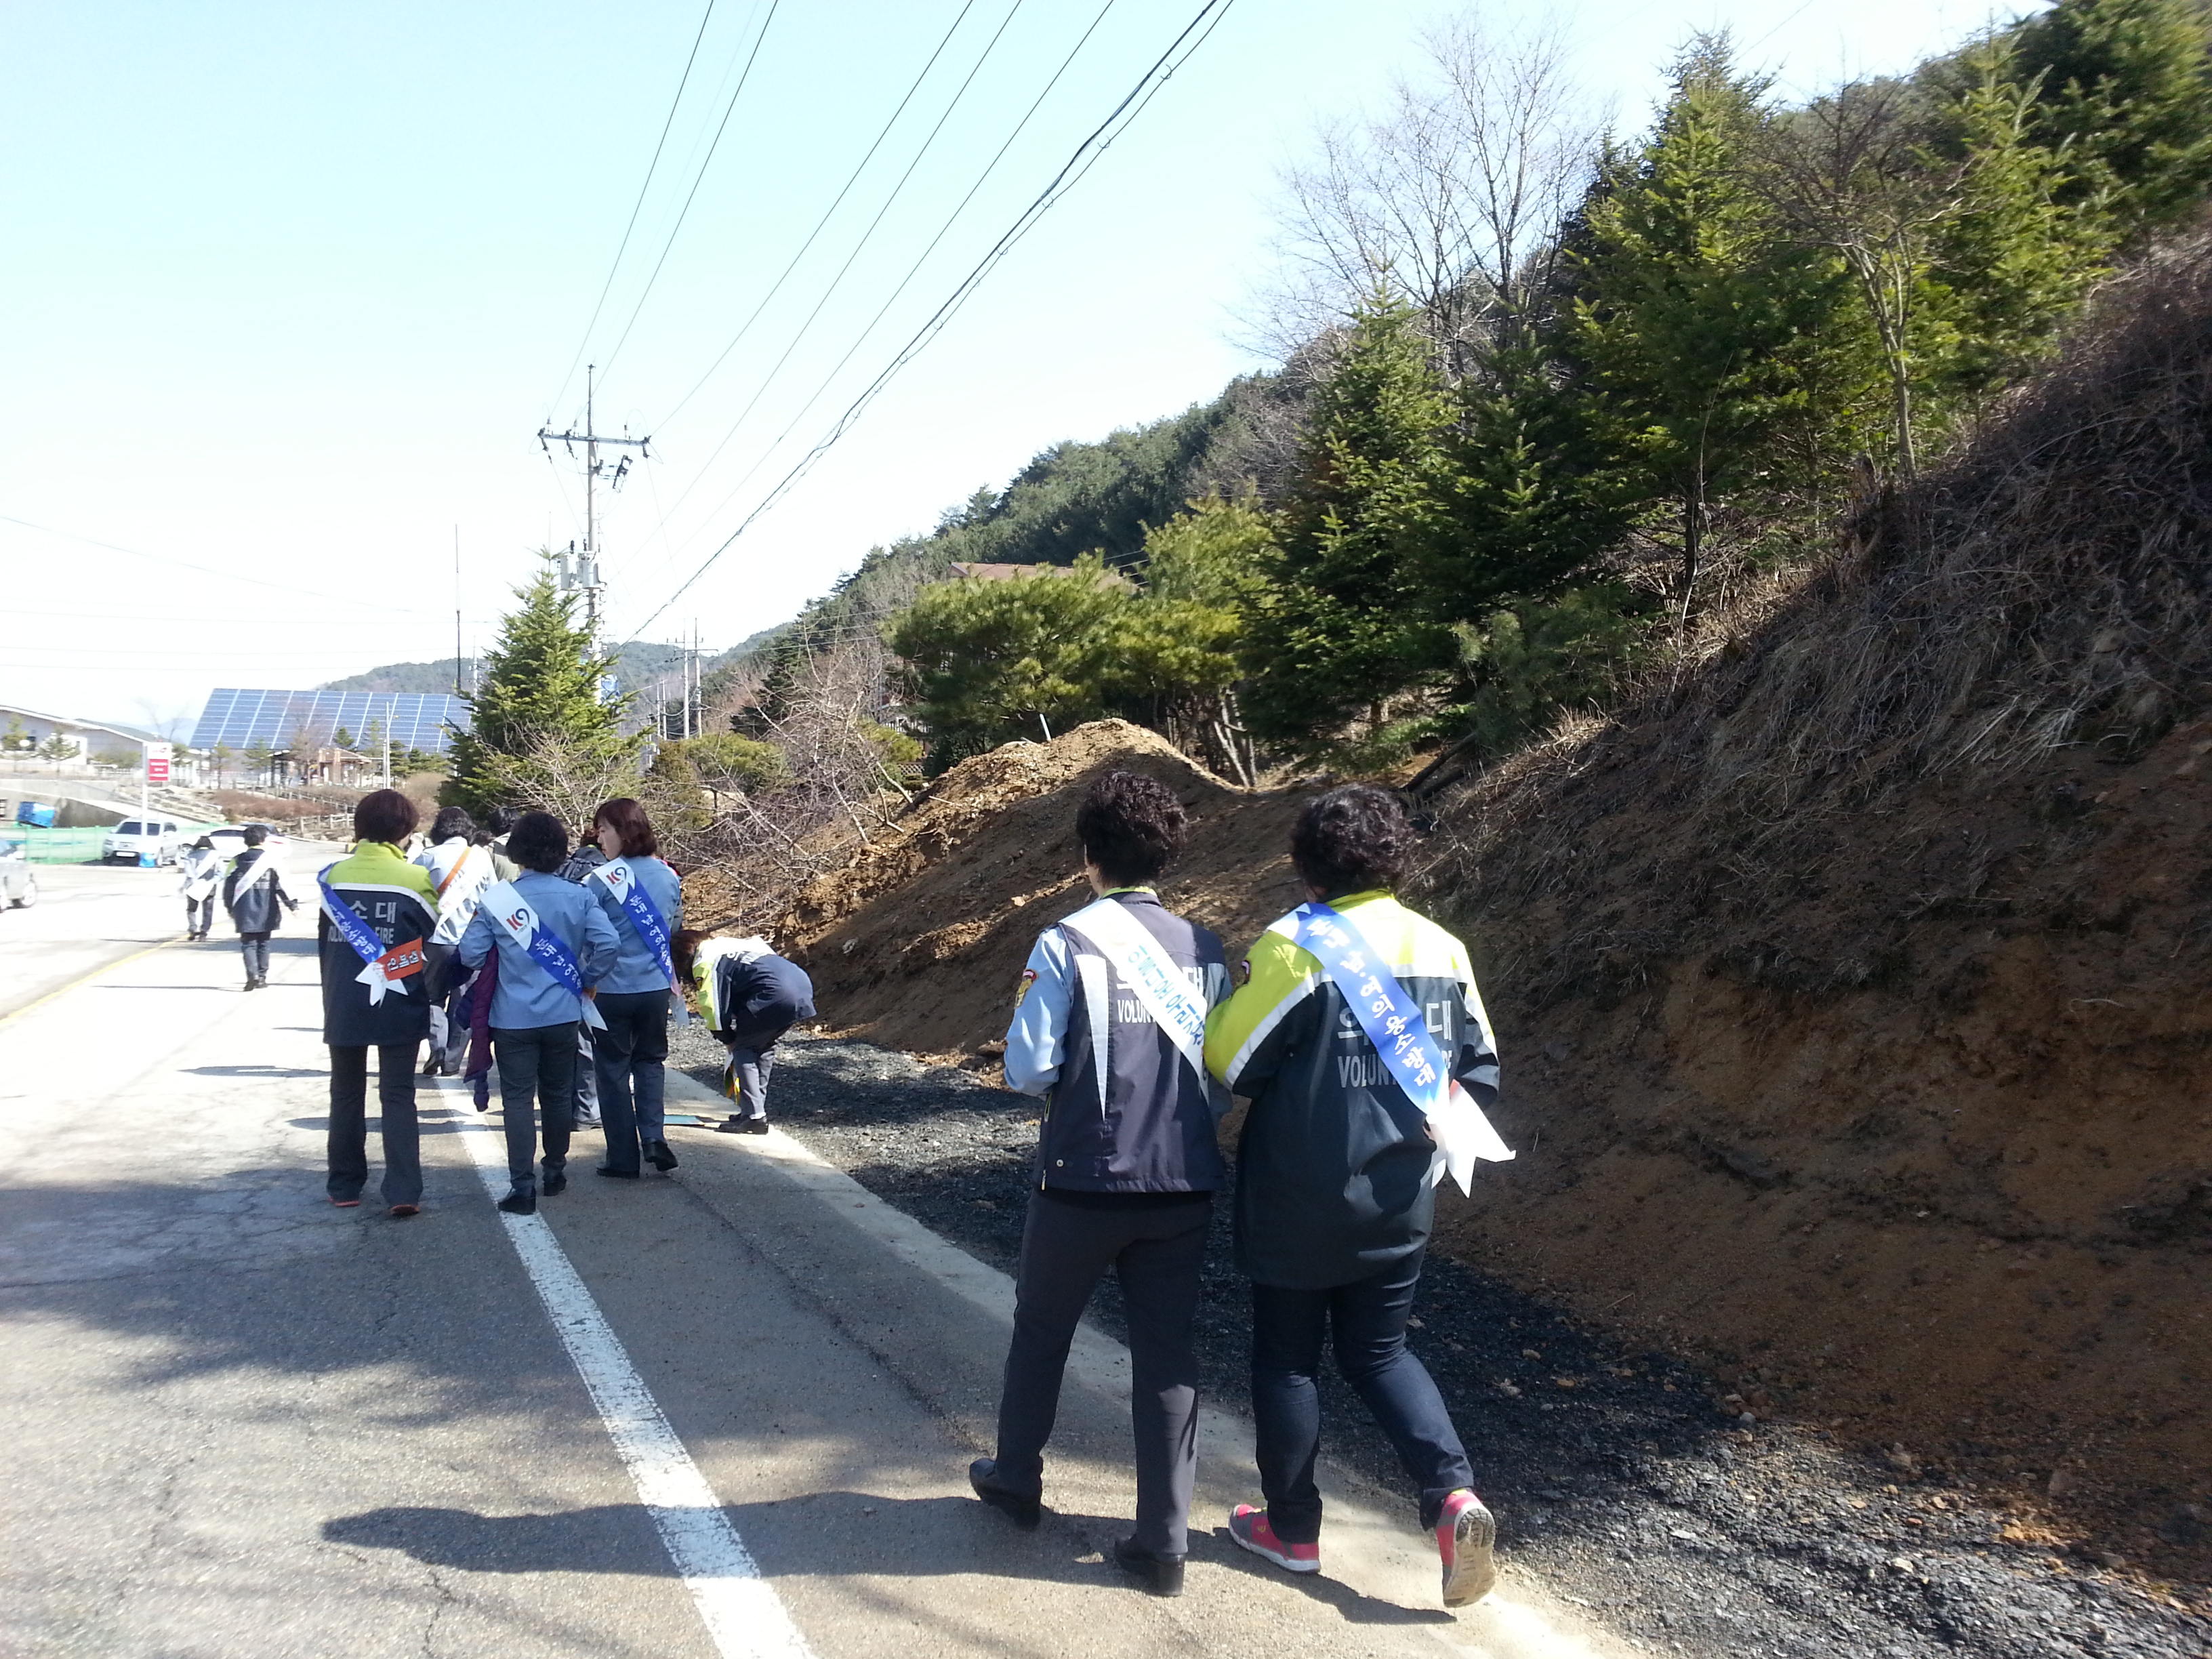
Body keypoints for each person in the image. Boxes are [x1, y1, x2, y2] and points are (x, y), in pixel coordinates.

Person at [1203, 784, 1504, 1609]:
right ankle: (1453, 1495)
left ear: (1307, 866)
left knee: (1288, 1360)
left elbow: (1232, 1060)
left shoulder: (1295, 945)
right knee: (1380, 1352)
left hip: (1298, 1195)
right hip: (1402, 1194)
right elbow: (1478, 1070)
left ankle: (1292, 1529)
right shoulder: (1443, 948)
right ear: (1397, 858)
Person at [968, 771, 1231, 1599]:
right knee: (1167, 1353)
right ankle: (1164, 1541)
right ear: (1167, 855)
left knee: (1043, 1331)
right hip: (1182, 1183)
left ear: (1089, 853)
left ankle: (1016, 1477)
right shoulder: (1208, 949)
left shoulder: (1065, 943)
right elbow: (1223, 1074)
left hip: (1083, 1177)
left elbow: (1028, 1068)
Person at [458, 810, 619, 1215]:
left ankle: (522, 1187)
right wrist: (585, 978)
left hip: (511, 1017)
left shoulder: (498, 900)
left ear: (516, 851)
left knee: (516, 1099)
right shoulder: (580, 895)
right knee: (557, 1093)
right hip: (563, 1014)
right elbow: (609, 943)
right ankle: (555, 1171)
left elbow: (470, 954)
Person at [316, 789, 439, 1216]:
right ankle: (403, 1190)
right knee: (398, 1093)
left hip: (344, 998)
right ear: (406, 831)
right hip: (399, 996)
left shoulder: (332, 877)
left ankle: (344, 1184)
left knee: (345, 1092)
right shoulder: (414, 879)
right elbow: (429, 936)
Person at [582, 797, 684, 1180]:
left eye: (604, 830)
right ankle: (654, 1137)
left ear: (622, 832)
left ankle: (623, 1158)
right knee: (650, 1061)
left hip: (611, 989)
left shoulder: (599, 880)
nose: (599, 839)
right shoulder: (668, 875)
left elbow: (588, 936)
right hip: (655, 988)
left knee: (611, 1070)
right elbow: (673, 928)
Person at [695, 933, 814, 1134]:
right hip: (801, 988)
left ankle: (754, 1117)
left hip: (773, 995)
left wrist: (726, 1037)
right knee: (764, 1047)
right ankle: (753, 1110)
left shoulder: (709, 961)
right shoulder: (741, 949)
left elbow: (713, 1007)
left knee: (744, 1049)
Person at [413, 805, 493, 1076]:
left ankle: (437, 1047)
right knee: (463, 1002)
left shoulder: (427, 858)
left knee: (431, 997)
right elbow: (493, 899)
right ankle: (452, 1061)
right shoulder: (482, 859)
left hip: (434, 941)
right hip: (471, 941)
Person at [556, 827, 609, 1129]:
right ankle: (589, 1110)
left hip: (559, 964)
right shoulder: (609, 876)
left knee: (570, 1042)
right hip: (595, 967)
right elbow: (609, 938)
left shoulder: (561, 872)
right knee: (593, 1042)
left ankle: (569, 1107)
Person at [222, 823, 298, 990]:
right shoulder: (273, 860)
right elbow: (282, 886)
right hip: (267, 908)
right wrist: (292, 905)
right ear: (264, 840)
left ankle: (252, 976)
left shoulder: (236, 861)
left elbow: (228, 887)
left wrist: (229, 907)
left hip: (243, 909)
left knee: (248, 943)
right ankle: (262, 977)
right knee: (264, 943)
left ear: (245, 841)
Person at [178, 835, 222, 939]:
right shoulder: (216, 856)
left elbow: (189, 874)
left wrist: (190, 884)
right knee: (208, 910)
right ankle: (204, 932)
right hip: (210, 886)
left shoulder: (191, 856)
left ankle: (193, 928)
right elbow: (221, 872)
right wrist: (213, 881)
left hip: (194, 886)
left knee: (192, 909)